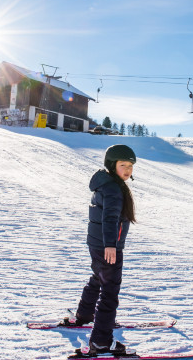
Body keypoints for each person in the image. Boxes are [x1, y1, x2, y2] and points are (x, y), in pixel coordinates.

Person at [69, 144, 137, 356]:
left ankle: (84, 314)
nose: (127, 169)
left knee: (99, 279)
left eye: (131, 165)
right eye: (123, 165)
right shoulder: (114, 189)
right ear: (111, 165)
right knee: (110, 291)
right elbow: (109, 219)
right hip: (107, 246)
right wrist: (111, 245)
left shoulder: (106, 184)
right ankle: (101, 342)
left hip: (97, 244)